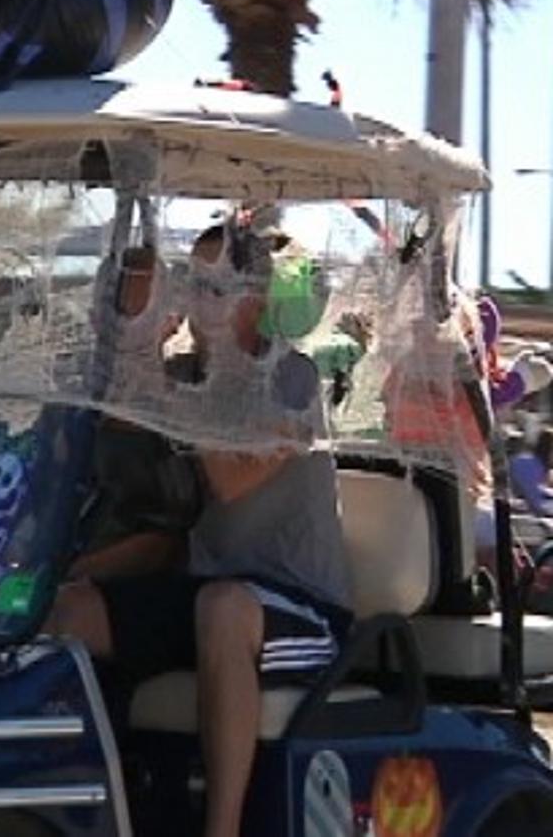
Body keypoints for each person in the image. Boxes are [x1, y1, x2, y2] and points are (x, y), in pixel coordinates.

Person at [45, 223, 352, 837]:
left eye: (214, 285)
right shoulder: (183, 371)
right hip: (209, 591)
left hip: (298, 606)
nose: (194, 296)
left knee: (223, 607)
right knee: (65, 610)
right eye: (192, 279)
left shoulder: (291, 378)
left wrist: (160, 385)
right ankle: (80, 811)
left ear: (258, 300)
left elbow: (230, 480)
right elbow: (121, 427)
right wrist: (137, 343)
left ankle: (222, 827)